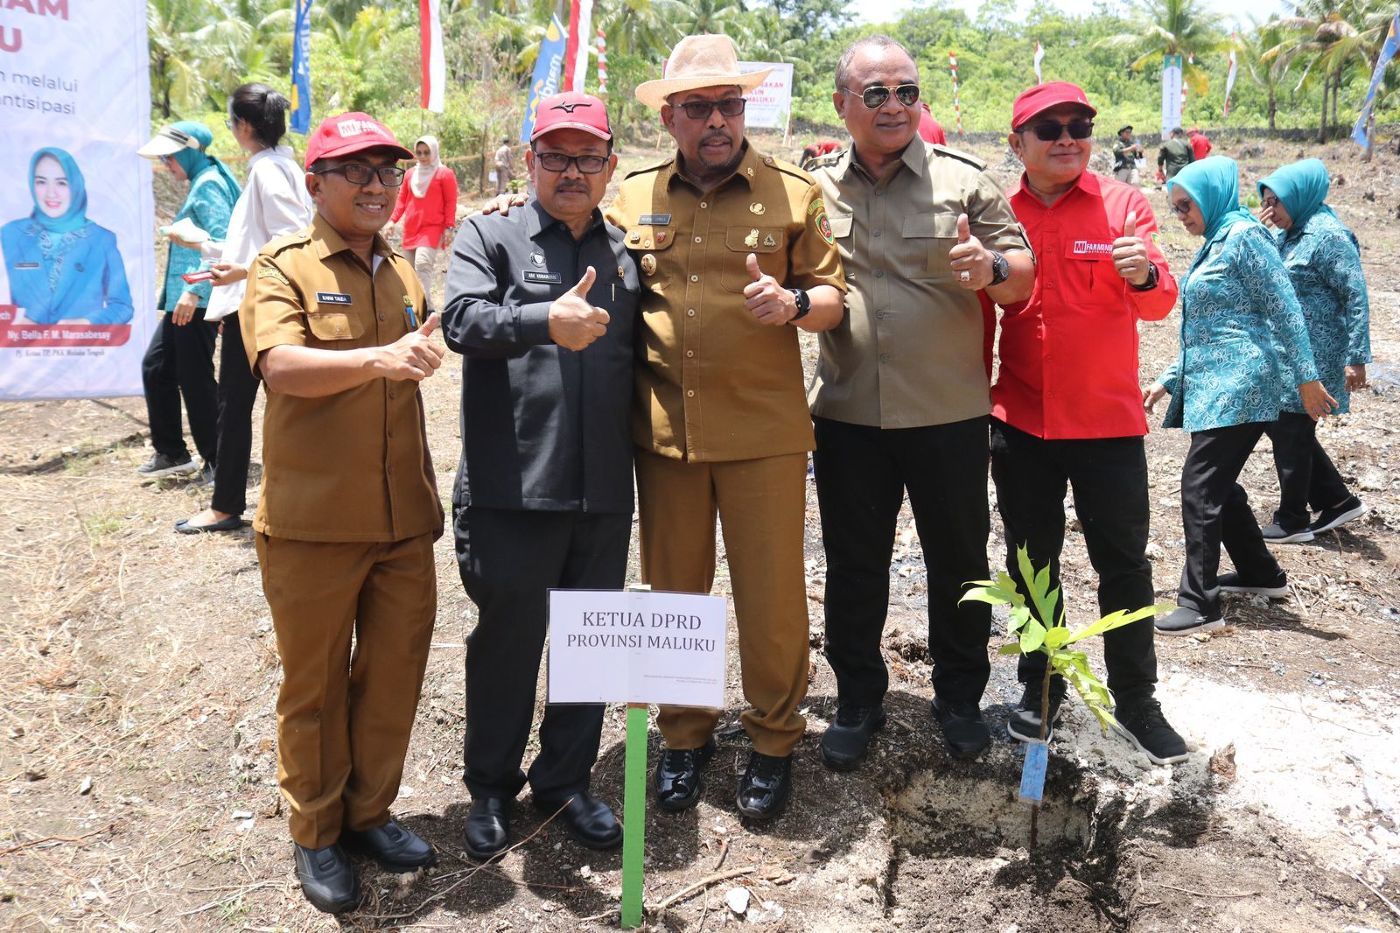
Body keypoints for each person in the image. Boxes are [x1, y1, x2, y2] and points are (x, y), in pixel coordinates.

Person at [609, 33, 846, 819]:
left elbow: (834, 295)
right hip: (666, 434)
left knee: (772, 596)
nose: (718, 120)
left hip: (764, 433)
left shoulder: (792, 193)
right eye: (700, 107)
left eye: (731, 104)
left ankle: (774, 742)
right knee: (676, 592)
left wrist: (795, 305)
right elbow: (565, 226)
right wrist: (515, 200)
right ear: (670, 116)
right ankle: (684, 737)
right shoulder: (630, 194)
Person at [804, 35, 1034, 769]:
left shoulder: (963, 184)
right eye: (876, 93)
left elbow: (1023, 274)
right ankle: (858, 698)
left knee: (960, 563)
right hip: (847, 416)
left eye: (908, 91)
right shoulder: (811, 188)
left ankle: (960, 697)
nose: (896, 105)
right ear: (843, 104)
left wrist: (990, 264)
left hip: (947, 416)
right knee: (854, 563)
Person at [239, 111, 444, 913]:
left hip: (401, 521)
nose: (375, 184)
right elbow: (282, 365)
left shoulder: (401, 270)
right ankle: (317, 829)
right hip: (314, 523)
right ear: (315, 183)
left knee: (392, 676)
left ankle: (369, 811)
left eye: (387, 170)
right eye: (354, 169)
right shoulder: (279, 266)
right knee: (315, 683)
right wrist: (378, 359)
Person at [441, 92, 636, 860]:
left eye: (588, 157)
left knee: (588, 644)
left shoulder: (624, 253)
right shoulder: (490, 235)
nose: (572, 171)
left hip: (601, 491)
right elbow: (460, 320)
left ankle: (564, 780)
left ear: (610, 167)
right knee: (509, 644)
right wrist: (540, 319)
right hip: (514, 486)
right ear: (529, 163)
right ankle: (490, 787)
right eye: (555, 155)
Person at [994, 82, 1187, 765]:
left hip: (1107, 425)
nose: (1068, 137)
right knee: (1029, 564)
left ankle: (1136, 697)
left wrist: (1141, 276)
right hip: (1019, 422)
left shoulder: (1123, 205)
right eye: (1050, 127)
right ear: (1018, 143)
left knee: (1124, 566)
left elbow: (1161, 301)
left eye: (1080, 124)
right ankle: (1041, 688)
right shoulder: (998, 212)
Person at [1144, 156, 1335, 637]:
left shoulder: (1246, 236)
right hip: (1217, 380)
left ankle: (1199, 602)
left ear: (1210, 196)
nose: (1181, 215)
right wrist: (1170, 376)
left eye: (1186, 205)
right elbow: (1212, 326)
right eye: (1177, 207)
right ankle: (1259, 574)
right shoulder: (1218, 239)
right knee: (1219, 485)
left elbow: (1284, 307)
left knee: (1200, 485)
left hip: (1242, 382)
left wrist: (1306, 378)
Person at [175, 83, 313, 534]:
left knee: (235, 406)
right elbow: (264, 241)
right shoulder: (281, 167)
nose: (232, 128)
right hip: (261, 299)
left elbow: (294, 239)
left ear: (246, 127)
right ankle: (282, 497)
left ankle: (226, 504)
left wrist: (242, 273)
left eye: (233, 120)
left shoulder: (269, 172)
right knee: (274, 403)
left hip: (257, 306)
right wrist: (208, 248)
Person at [1255, 158, 1371, 542]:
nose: (1271, 211)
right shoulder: (1288, 232)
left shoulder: (1329, 236)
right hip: (1288, 353)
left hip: (1319, 355)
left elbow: (1356, 296)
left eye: (1277, 202)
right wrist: (1259, 229)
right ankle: (1336, 500)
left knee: (1290, 429)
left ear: (1300, 197)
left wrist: (1357, 358)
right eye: (1266, 202)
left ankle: (1292, 519)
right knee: (1287, 428)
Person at [136, 122, 241, 479]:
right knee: (157, 367)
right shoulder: (204, 180)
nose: (166, 163)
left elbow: (222, 240)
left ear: (188, 151)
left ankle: (218, 458)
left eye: (169, 156)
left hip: (196, 299)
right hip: (186, 299)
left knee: (194, 376)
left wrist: (195, 289)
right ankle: (172, 453)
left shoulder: (209, 184)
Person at [2, 147, 134, 325]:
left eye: (62, 183)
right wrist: (15, 321)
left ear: (76, 185)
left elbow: (122, 306)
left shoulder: (102, 239)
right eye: (41, 182)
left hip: (84, 350)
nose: (51, 193)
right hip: (20, 349)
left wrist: (84, 323)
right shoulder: (9, 235)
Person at [390, 135, 458, 304]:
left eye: (426, 152)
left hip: (432, 228)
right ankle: (412, 306)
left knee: (422, 264)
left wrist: (449, 227)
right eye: (419, 153)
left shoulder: (445, 174)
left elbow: (451, 202)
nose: (422, 157)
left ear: (434, 152)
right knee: (407, 268)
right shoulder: (410, 175)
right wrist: (392, 221)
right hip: (412, 228)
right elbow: (401, 201)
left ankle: (427, 307)